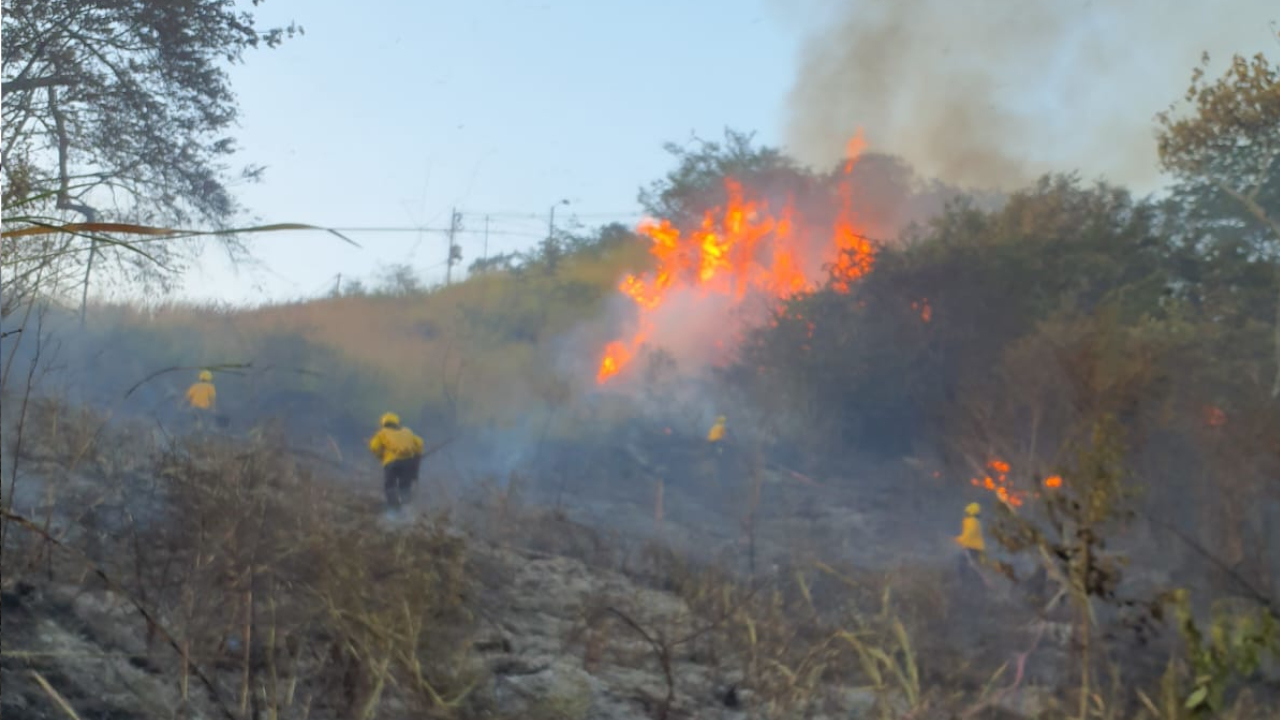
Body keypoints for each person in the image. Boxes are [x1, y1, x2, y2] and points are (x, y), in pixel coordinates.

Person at [368, 412, 425, 510]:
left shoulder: (382, 433)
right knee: (405, 485)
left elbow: (374, 447)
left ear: (383, 423)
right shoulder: (407, 431)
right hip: (409, 462)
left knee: (390, 485)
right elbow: (419, 443)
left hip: (391, 463)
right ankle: (406, 508)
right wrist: (416, 456)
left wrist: (381, 456)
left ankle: (393, 508)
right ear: (397, 422)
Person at [954, 502, 986, 589]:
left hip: (971, 548)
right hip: (975, 548)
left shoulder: (972, 521)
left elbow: (969, 534)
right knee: (970, 565)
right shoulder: (976, 522)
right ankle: (970, 584)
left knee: (966, 565)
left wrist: (959, 540)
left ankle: (965, 584)